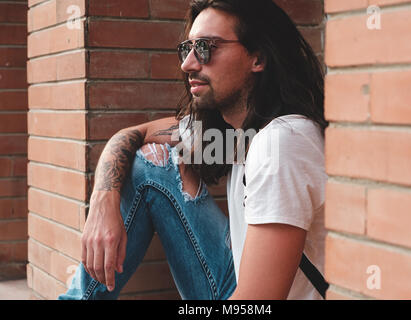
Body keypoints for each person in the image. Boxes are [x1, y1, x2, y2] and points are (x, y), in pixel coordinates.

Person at [58, 0, 328, 300]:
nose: (187, 63)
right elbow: (131, 135)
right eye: (187, 48)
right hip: (239, 279)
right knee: (152, 164)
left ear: (258, 57)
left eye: (206, 48)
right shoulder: (238, 131)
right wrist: (103, 201)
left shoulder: (282, 143)